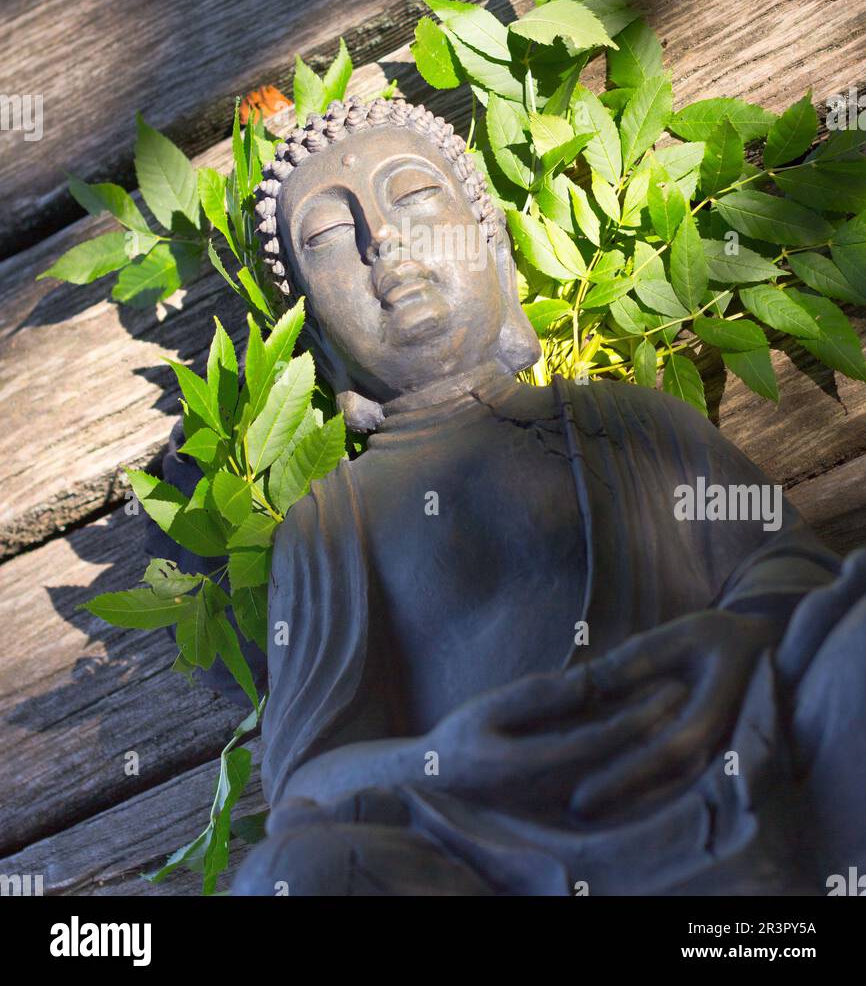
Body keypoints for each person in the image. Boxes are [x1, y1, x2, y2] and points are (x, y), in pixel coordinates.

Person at [233, 96, 866, 896]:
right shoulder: (329, 527)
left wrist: (721, 650)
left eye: (417, 196)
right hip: (493, 849)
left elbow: (793, 580)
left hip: (725, 754)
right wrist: (458, 756)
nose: (381, 239)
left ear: (495, 250)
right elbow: (309, 783)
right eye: (325, 237)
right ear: (317, 335)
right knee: (294, 876)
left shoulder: (628, 420)